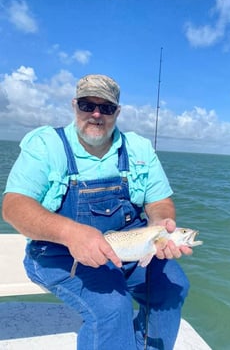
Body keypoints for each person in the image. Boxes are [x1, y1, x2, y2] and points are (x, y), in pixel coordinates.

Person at [2, 74, 192, 350]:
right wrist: (70, 233)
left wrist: (162, 224)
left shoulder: (138, 147)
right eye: (86, 105)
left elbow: (159, 201)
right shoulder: (46, 144)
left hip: (129, 249)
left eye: (106, 107)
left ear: (117, 112)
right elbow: (14, 206)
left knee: (173, 286)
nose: (96, 114)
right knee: (113, 306)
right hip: (60, 252)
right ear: (74, 105)